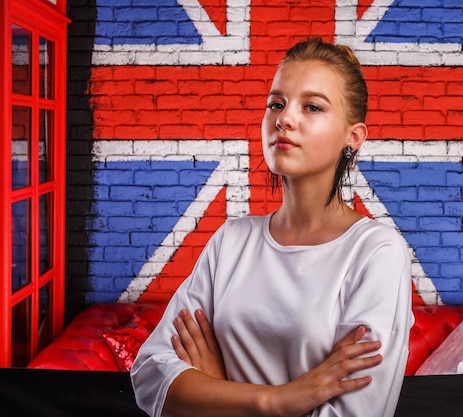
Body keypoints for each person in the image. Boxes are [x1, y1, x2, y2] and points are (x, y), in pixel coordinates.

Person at [131, 37, 414, 417]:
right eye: (276, 104)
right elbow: (150, 375)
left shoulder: (376, 252)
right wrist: (277, 401)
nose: (284, 118)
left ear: (353, 137)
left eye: (312, 106)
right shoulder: (231, 241)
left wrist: (216, 393)